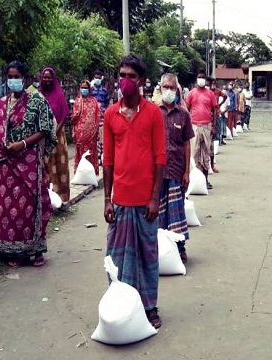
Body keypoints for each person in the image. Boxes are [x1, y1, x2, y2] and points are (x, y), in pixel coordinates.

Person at [103, 54, 166, 329]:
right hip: (119, 200)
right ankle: (119, 304)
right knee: (117, 258)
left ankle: (149, 307)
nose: (125, 80)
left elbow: (160, 158)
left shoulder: (153, 113)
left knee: (148, 257)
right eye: (122, 75)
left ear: (140, 80)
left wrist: (155, 197)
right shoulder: (110, 114)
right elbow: (108, 160)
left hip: (145, 202)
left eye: (130, 76)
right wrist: (107, 198)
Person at [0, 61, 57, 268]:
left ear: (24, 78)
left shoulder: (37, 101)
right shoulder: (3, 103)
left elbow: (46, 129)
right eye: (9, 76)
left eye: (16, 76)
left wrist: (22, 144)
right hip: (7, 162)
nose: (13, 80)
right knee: (10, 207)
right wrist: (7, 146)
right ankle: (13, 251)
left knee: (32, 204)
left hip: (29, 163)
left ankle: (36, 250)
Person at [158, 73, 194, 263]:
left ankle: (179, 248)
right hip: (157, 173)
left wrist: (187, 172)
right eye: (166, 87)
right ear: (160, 88)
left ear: (177, 89)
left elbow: (187, 144)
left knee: (176, 212)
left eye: (172, 87)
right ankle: (158, 249)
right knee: (158, 213)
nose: (169, 91)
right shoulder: (153, 112)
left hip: (176, 171)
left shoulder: (183, 114)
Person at [39, 67, 71, 203]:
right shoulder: (38, 95)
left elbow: (64, 114)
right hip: (42, 138)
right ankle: (48, 200)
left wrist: (55, 131)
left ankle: (61, 198)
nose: (47, 80)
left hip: (58, 137)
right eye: (44, 77)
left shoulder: (58, 94)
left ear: (53, 79)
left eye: (49, 77)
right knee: (46, 166)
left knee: (60, 165)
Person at [186, 70, 218, 189]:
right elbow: (186, 109)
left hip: (207, 126)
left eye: (203, 77)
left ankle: (205, 180)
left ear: (206, 80)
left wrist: (214, 126)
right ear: (196, 79)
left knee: (205, 154)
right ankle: (193, 182)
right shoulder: (191, 93)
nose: (201, 79)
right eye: (199, 77)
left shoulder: (210, 94)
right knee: (194, 155)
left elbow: (215, 110)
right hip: (194, 126)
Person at [71, 80, 101, 175]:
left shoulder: (94, 101)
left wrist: (96, 130)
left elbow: (97, 116)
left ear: (89, 89)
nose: (84, 89)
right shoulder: (77, 101)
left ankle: (90, 174)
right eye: (82, 87)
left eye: (86, 88)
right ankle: (80, 174)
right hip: (80, 133)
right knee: (80, 153)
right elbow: (74, 118)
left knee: (90, 153)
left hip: (91, 135)